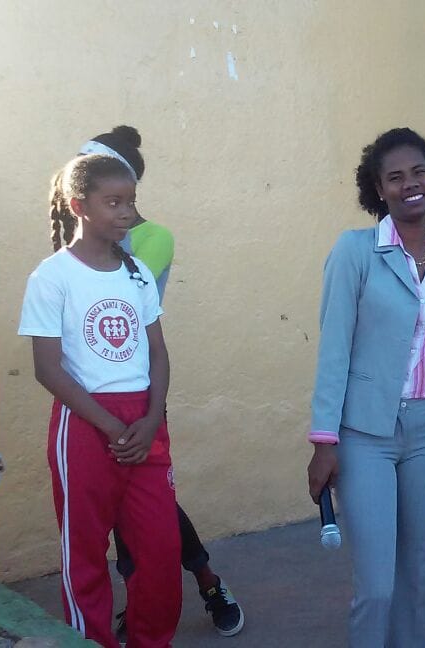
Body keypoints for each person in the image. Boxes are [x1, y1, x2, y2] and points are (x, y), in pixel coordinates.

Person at [76, 125, 244, 638]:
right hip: (88, 395)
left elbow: (115, 293)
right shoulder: (74, 245)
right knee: (119, 510)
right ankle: (147, 599)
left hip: (140, 392)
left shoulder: (153, 239)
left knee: (151, 506)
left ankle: (208, 581)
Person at [305, 127, 425, 647]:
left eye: (419, 172)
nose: (409, 184)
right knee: (376, 586)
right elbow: (335, 348)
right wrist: (324, 440)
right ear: (378, 189)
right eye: (395, 177)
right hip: (365, 434)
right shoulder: (355, 251)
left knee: (417, 576)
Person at [18, 154, 180, 647]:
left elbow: (158, 353)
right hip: (86, 425)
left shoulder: (137, 275)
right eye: (113, 202)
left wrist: (151, 419)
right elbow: (47, 368)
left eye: (130, 201)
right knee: (85, 555)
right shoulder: (52, 277)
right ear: (78, 206)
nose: (126, 212)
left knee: (160, 551)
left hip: (145, 424)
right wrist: (111, 427)